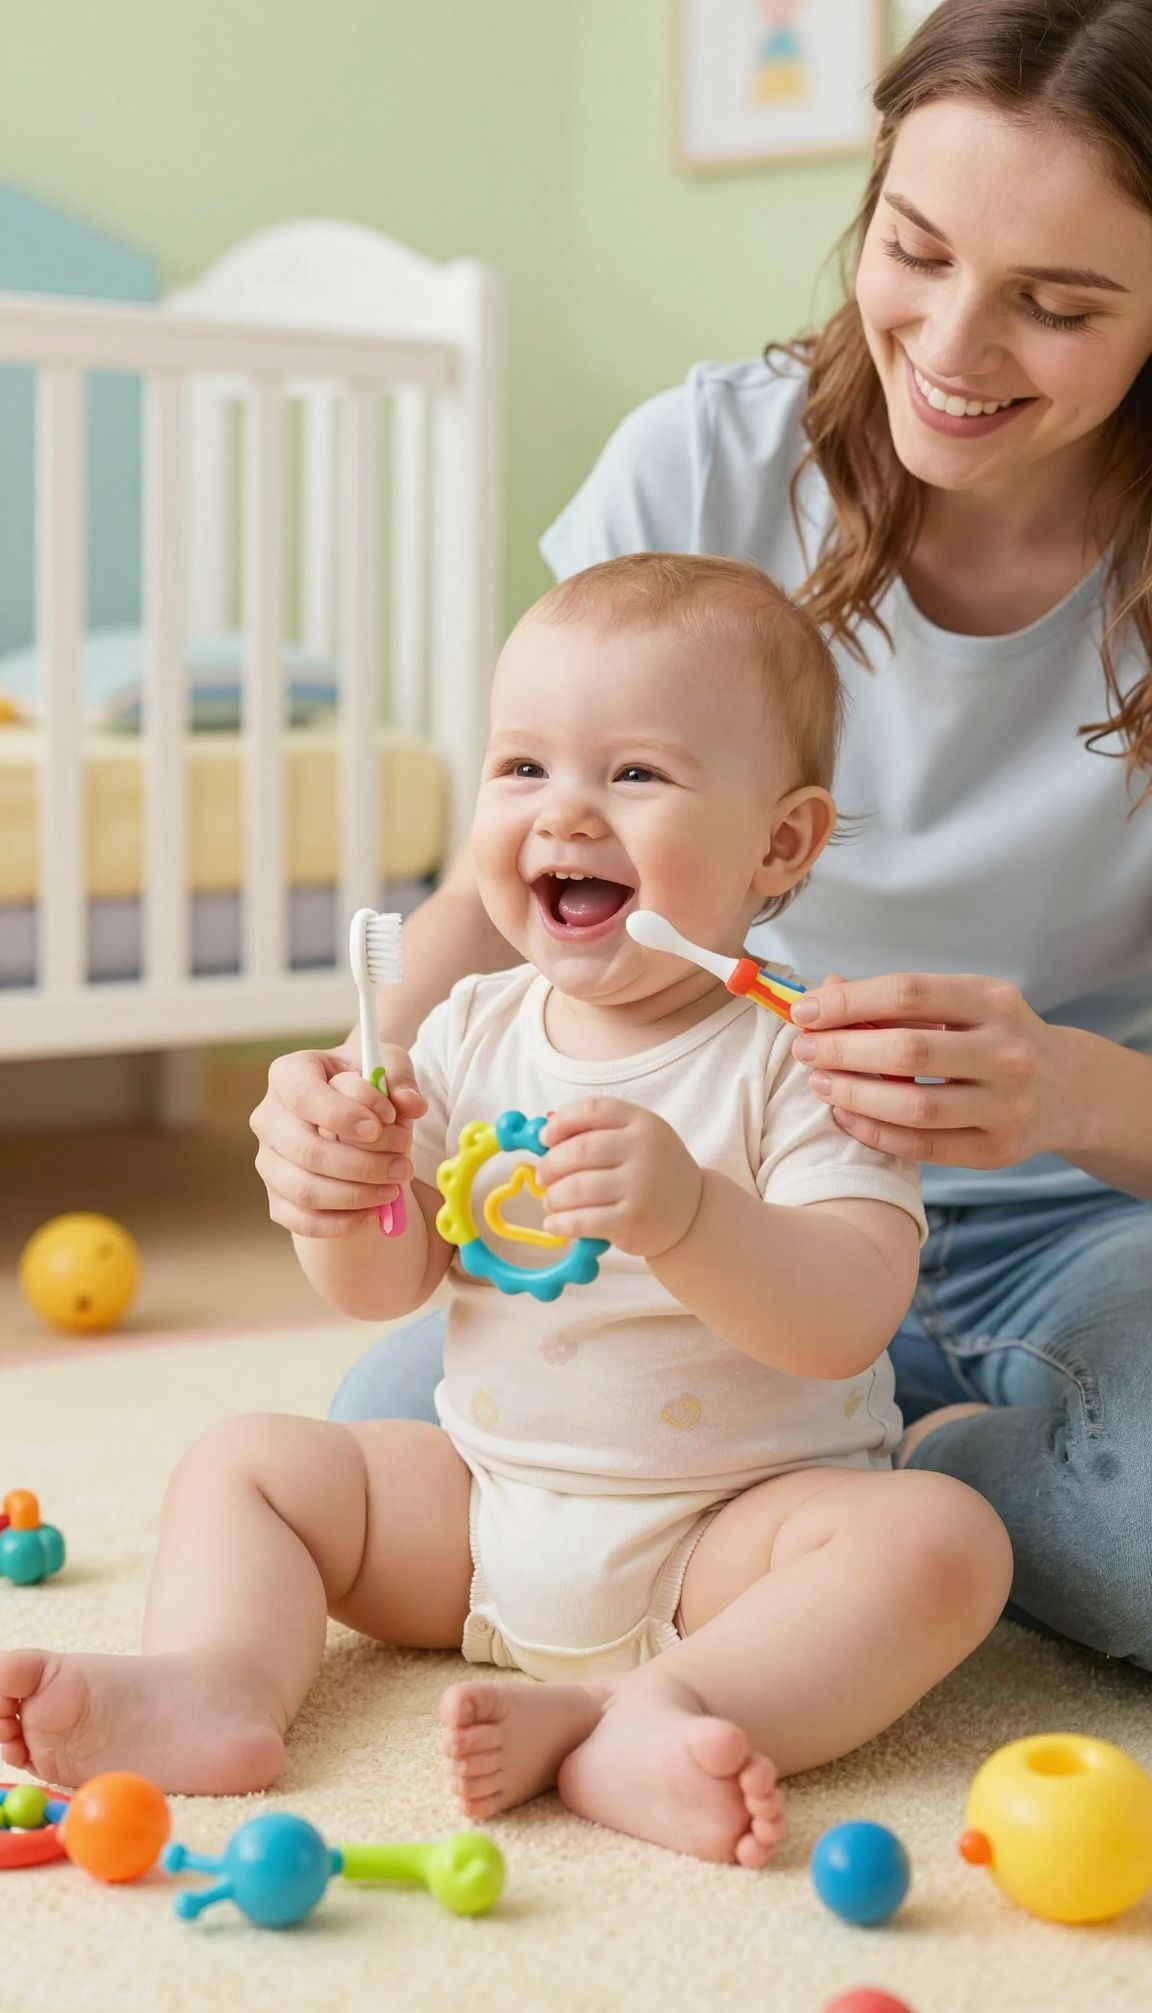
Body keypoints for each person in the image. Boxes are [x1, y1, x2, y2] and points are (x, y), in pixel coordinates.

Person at [251, 0, 1152, 1669]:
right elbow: (503, 867)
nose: (952, 347)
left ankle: (920, 1480)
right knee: (414, 1428)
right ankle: (808, 1533)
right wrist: (353, 1095)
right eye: (916, 249)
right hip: (662, 1164)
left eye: (1058, 304)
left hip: (1079, 1218)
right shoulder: (705, 459)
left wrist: (1069, 1093)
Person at [0, 557, 1012, 1866]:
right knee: (247, 1460)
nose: (566, 813)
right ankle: (219, 1683)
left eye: (635, 774)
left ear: (783, 842)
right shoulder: (471, 1027)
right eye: (523, 767)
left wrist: (690, 1214)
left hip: (727, 1540)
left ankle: (659, 1711)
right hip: (480, 1514)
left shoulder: (801, 1054)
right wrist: (349, 1195)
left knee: (940, 1544)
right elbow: (384, 1288)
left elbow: (848, 1313)